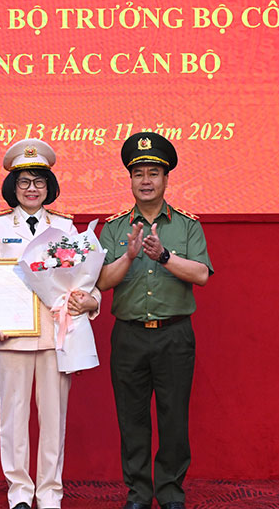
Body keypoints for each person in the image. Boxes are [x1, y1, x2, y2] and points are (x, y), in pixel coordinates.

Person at [0, 138, 100, 509]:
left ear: (50, 188)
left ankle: (49, 493)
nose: (32, 189)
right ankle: (18, 492)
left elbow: (79, 277)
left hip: (54, 332)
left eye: (39, 182)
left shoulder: (64, 224)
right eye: (24, 183)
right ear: (12, 188)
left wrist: (81, 303)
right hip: (10, 334)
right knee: (12, 416)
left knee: (53, 416)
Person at [97, 132, 213, 509]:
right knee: (132, 420)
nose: (146, 181)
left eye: (153, 173)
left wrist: (163, 256)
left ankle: (171, 493)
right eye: (139, 174)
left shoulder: (186, 225)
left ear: (166, 179)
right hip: (129, 337)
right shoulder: (114, 229)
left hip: (174, 335)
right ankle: (138, 494)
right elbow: (100, 282)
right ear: (130, 180)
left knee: (173, 418)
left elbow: (201, 274)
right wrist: (128, 257)